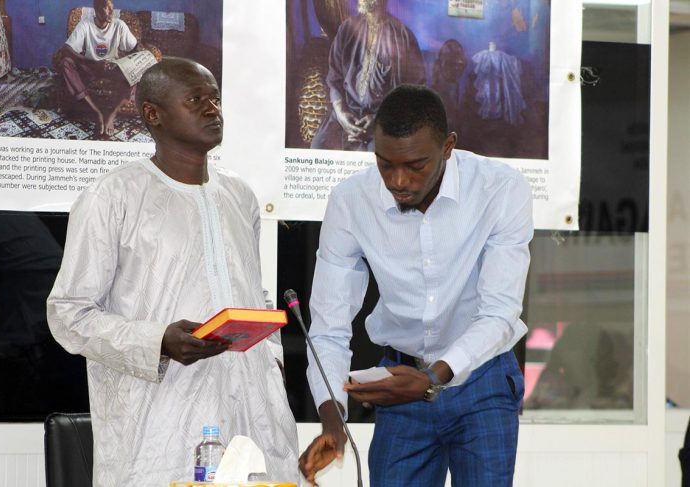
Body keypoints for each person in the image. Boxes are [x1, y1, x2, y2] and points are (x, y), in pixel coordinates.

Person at [47, 57, 298, 486]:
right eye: (196, 99)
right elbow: (69, 313)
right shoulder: (112, 197)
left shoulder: (239, 196)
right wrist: (158, 340)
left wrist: (271, 359)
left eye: (215, 99)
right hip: (157, 423)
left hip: (251, 414)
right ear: (152, 114)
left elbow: (252, 294)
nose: (212, 109)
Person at [300, 84, 533, 486]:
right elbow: (329, 326)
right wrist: (333, 417)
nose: (398, 180)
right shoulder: (350, 201)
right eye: (385, 164)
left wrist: (434, 378)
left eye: (416, 165)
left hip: (482, 379)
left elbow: (499, 314)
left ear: (448, 147)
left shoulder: (500, 188)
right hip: (400, 381)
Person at [310, 0, 425, 152]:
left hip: (384, 119)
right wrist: (340, 112)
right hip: (345, 112)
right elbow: (334, 79)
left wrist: (379, 119)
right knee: (319, 146)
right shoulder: (346, 29)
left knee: (376, 158)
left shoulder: (404, 37)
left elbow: (413, 94)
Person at [55, 0, 143, 136]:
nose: (110, 12)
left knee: (135, 71)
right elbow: (67, 49)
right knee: (66, 63)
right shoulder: (85, 25)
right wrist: (89, 61)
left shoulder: (119, 25)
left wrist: (139, 51)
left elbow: (135, 47)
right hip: (91, 67)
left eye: (111, 8)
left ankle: (112, 115)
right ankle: (96, 112)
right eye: (105, 8)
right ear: (96, 9)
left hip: (113, 68)